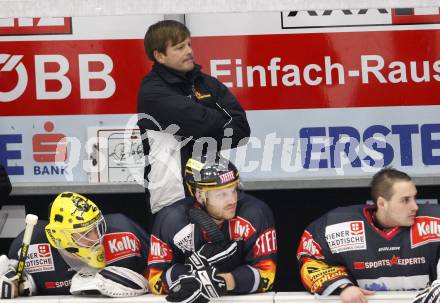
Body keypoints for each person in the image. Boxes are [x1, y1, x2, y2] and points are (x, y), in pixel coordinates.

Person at [137, 20, 250, 218]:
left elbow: (240, 130)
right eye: (180, 47)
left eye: (189, 44)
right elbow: (199, 122)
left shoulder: (208, 84)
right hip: (171, 199)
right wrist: (213, 121)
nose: (188, 51)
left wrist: (198, 127)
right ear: (159, 56)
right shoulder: (152, 92)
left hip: (214, 192)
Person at [296, 167, 440, 303]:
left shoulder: (435, 221)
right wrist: (342, 287)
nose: (415, 206)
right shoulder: (337, 226)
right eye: (405, 200)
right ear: (382, 203)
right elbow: (310, 259)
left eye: (414, 198)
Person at [147, 155, 277, 303]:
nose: (232, 200)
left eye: (234, 190)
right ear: (199, 195)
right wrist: (193, 279)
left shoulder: (256, 214)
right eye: (222, 194)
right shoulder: (170, 220)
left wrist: (221, 282)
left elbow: (267, 276)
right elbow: (155, 279)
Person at [0, 192, 149, 299]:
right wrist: (17, 284)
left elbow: (156, 269)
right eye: (86, 233)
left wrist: (139, 282)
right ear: (58, 236)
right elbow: (15, 279)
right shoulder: (28, 246)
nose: (97, 237)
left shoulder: (125, 231)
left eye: (97, 227)